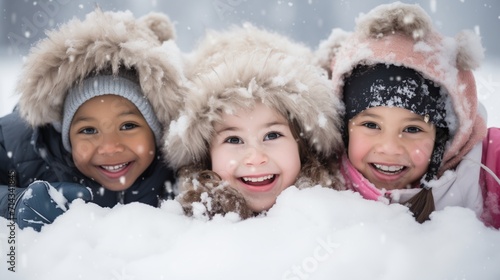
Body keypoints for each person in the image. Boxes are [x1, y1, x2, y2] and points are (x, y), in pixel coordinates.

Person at [0, 8, 188, 231]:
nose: (109, 148)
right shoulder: (20, 145)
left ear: (157, 130)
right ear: (65, 134)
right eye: (88, 130)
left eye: (128, 126)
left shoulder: (183, 167)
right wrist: (15, 202)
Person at [317, 2, 500, 227]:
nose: (390, 147)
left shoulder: (487, 166)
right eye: (371, 125)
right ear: (344, 126)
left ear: (443, 136)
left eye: (412, 129)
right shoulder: (319, 176)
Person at [163, 24, 345, 220]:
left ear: (303, 146)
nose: (255, 158)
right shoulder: (179, 228)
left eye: (272, 135)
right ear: (206, 156)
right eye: (233, 139)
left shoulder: (338, 217)